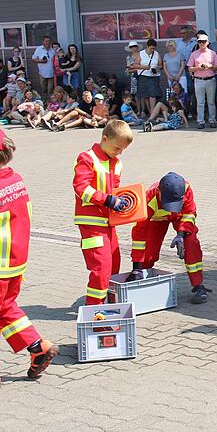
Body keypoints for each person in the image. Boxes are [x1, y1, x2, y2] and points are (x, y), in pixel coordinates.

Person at [0, 128, 59, 378]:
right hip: (16, 260)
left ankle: (38, 346)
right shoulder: (15, 180)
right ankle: (37, 348)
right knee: (5, 308)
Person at [72, 120, 134, 305]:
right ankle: (95, 311)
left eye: (122, 149)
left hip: (109, 222)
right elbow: (81, 188)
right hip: (91, 222)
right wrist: (108, 200)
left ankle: (106, 303)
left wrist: (122, 204)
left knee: (114, 263)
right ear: (104, 138)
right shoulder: (87, 158)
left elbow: (115, 190)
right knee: (101, 267)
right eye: (117, 148)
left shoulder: (116, 162)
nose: (120, 152)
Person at [126, 172, 211, 304]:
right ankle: (143, 281)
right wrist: (136, 267)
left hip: (179, 216)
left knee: (191, 243)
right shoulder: (148, 198)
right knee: (149, 253)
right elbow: (139, 234)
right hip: (156, 219)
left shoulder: (186, 188)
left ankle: (198, 286)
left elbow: (189, 213)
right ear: (159, 192)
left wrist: (181, 234)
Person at [187, 34, 217, 129]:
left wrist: (209, 66)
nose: (202, 43)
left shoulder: (212, 53)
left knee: (211, 102)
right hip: (199, 80)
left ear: (207, 42)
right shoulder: (194, 54)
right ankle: (200, 121)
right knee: (200, 102)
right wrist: (198, 68)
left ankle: (212, 120)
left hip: (210, 79)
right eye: (200, 42)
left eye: (204, 41)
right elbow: (190, 68)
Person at [133, 39, 162, 118]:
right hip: (144, 76)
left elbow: (161, 65)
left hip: (153, 76)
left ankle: (152, 114)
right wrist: (144, 67)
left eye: (153, 48)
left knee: (153, 95)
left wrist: (156, 68)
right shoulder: (141, 53)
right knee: (145, 95)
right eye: (151, 48)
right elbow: (135, 65)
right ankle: (150, 113)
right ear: (147, 46)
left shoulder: (156, 54)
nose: (152, 50)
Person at [124, 41, 140, 111]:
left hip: (143, 76)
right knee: (136, 95)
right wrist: (137, 69)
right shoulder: (129, 57)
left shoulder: (142, 55)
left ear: (137, 47)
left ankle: (143, 110)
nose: (133, 48)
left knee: (144, 95)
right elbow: (128, 69)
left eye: (134, 46)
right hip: (134, 77)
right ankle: (139, 110)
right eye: (131, 47)